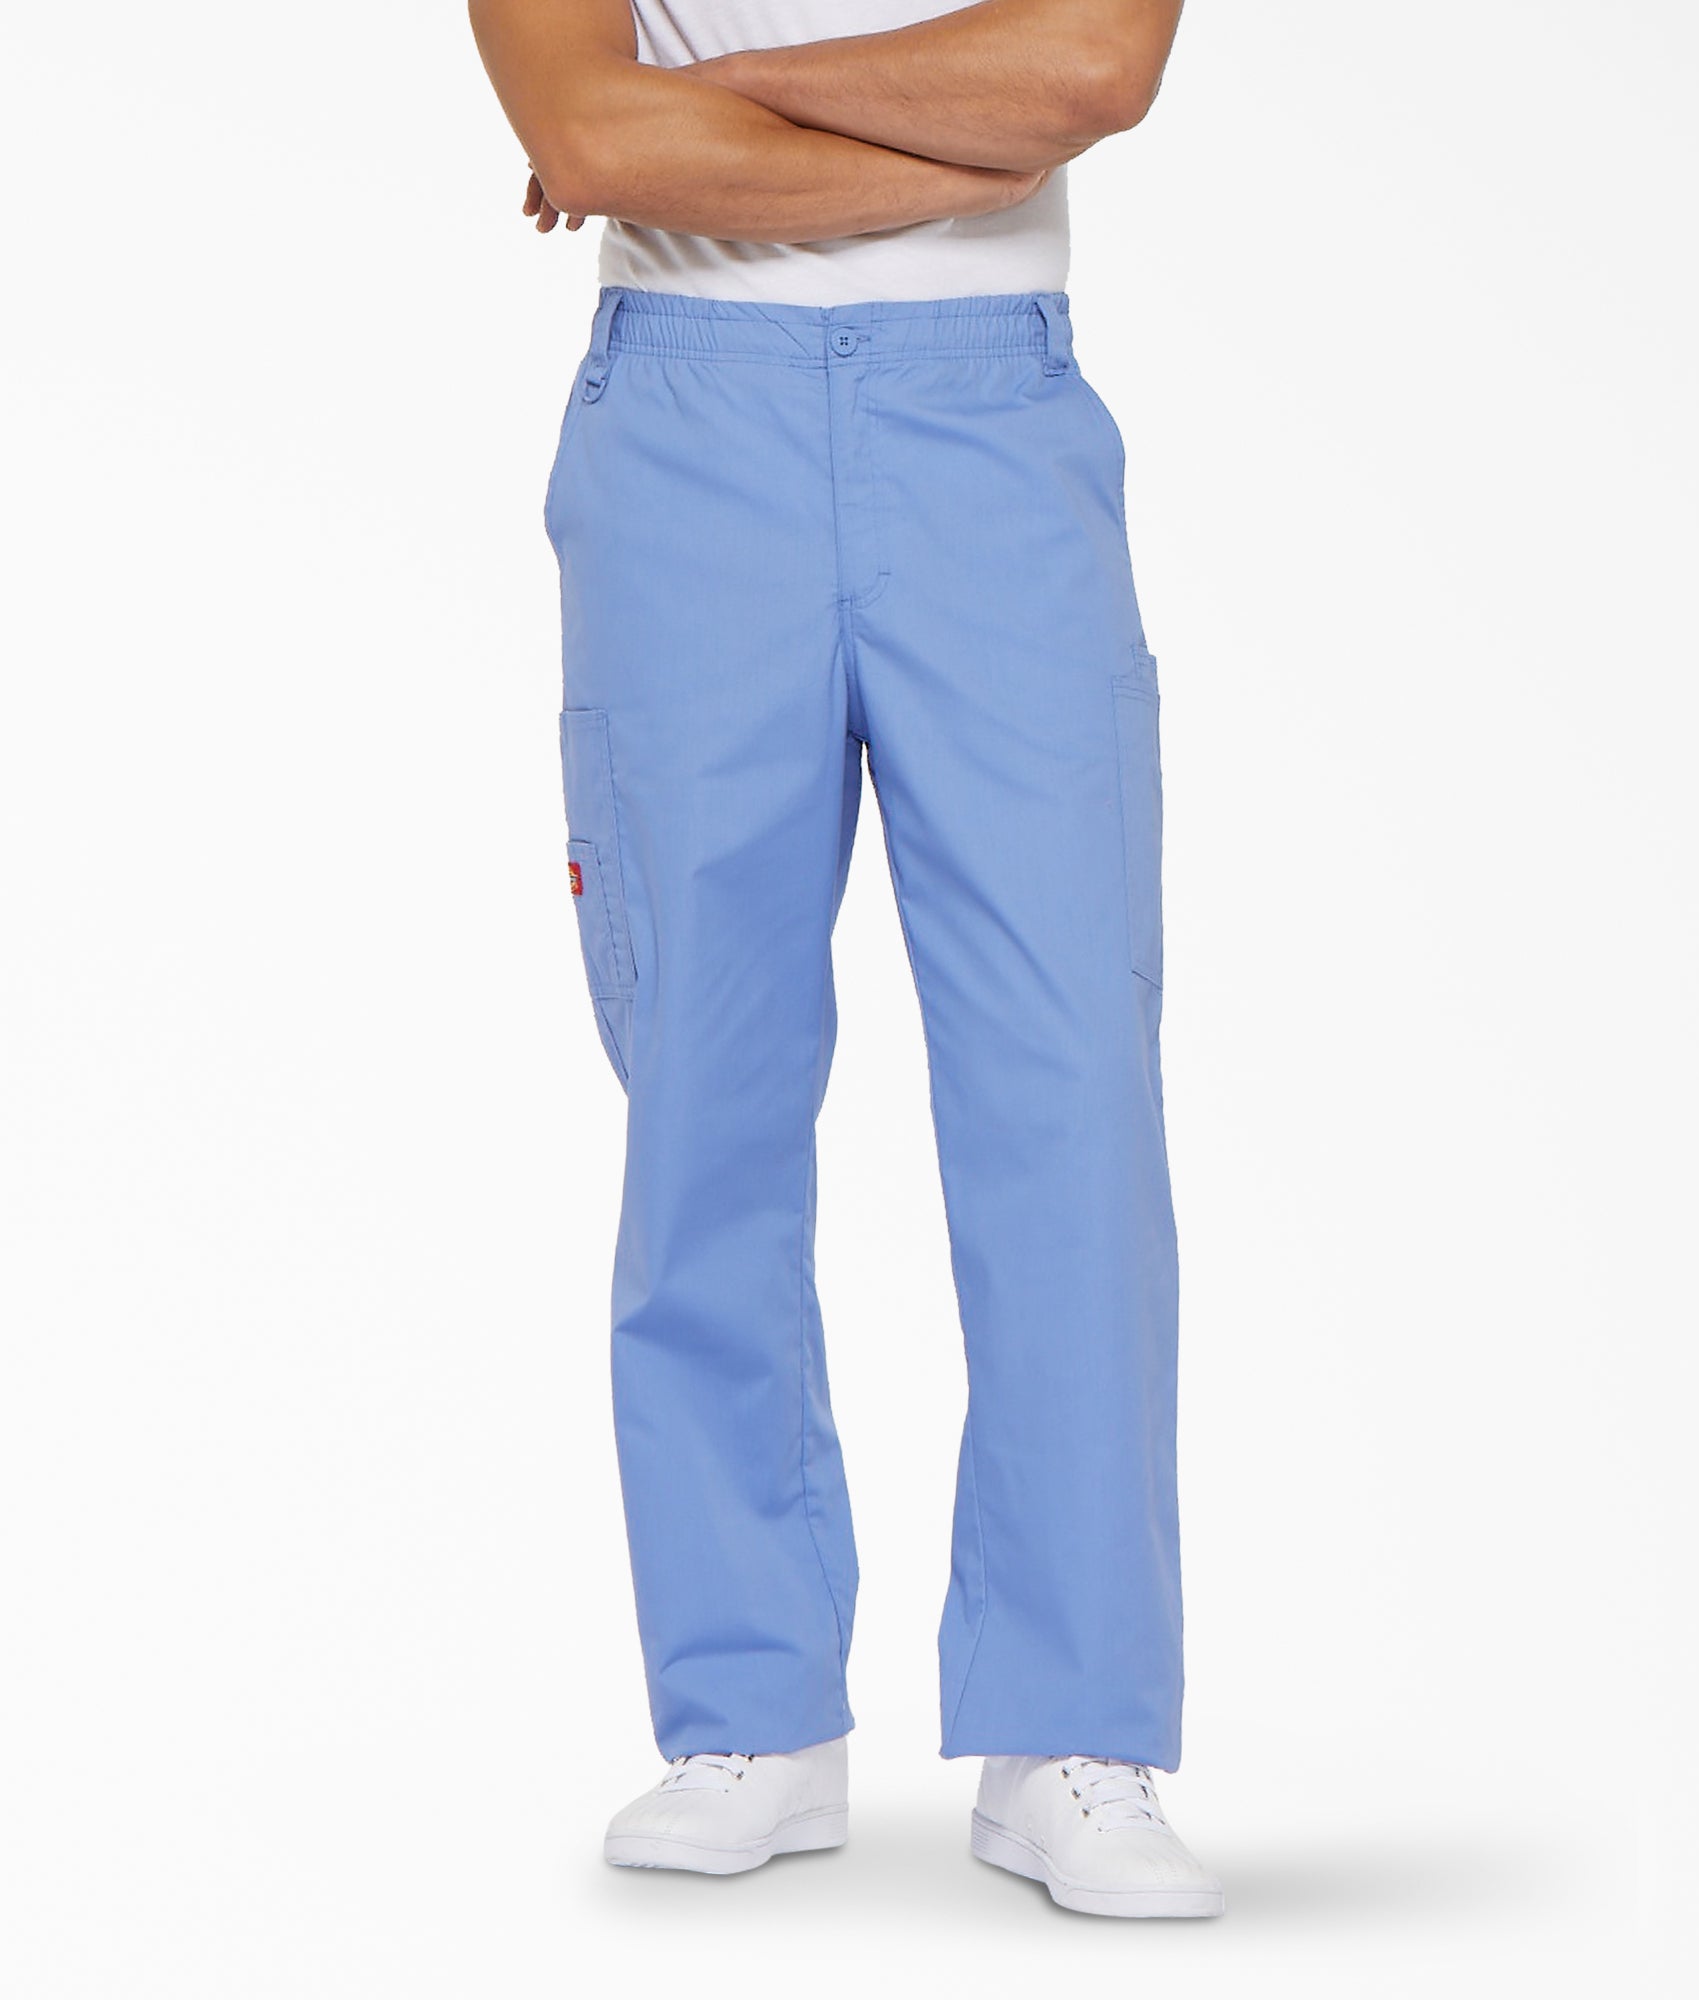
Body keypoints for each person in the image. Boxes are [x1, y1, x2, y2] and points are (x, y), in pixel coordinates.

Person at [468, 0, 1222, 1920]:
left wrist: (700, 98)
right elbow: (592, 138)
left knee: (1068, 1097)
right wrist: (951, 129)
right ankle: (751, 1713)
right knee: (703, 1095)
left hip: (995, 415)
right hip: (687, 421)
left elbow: (1090, 78)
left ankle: (1073, 1732)